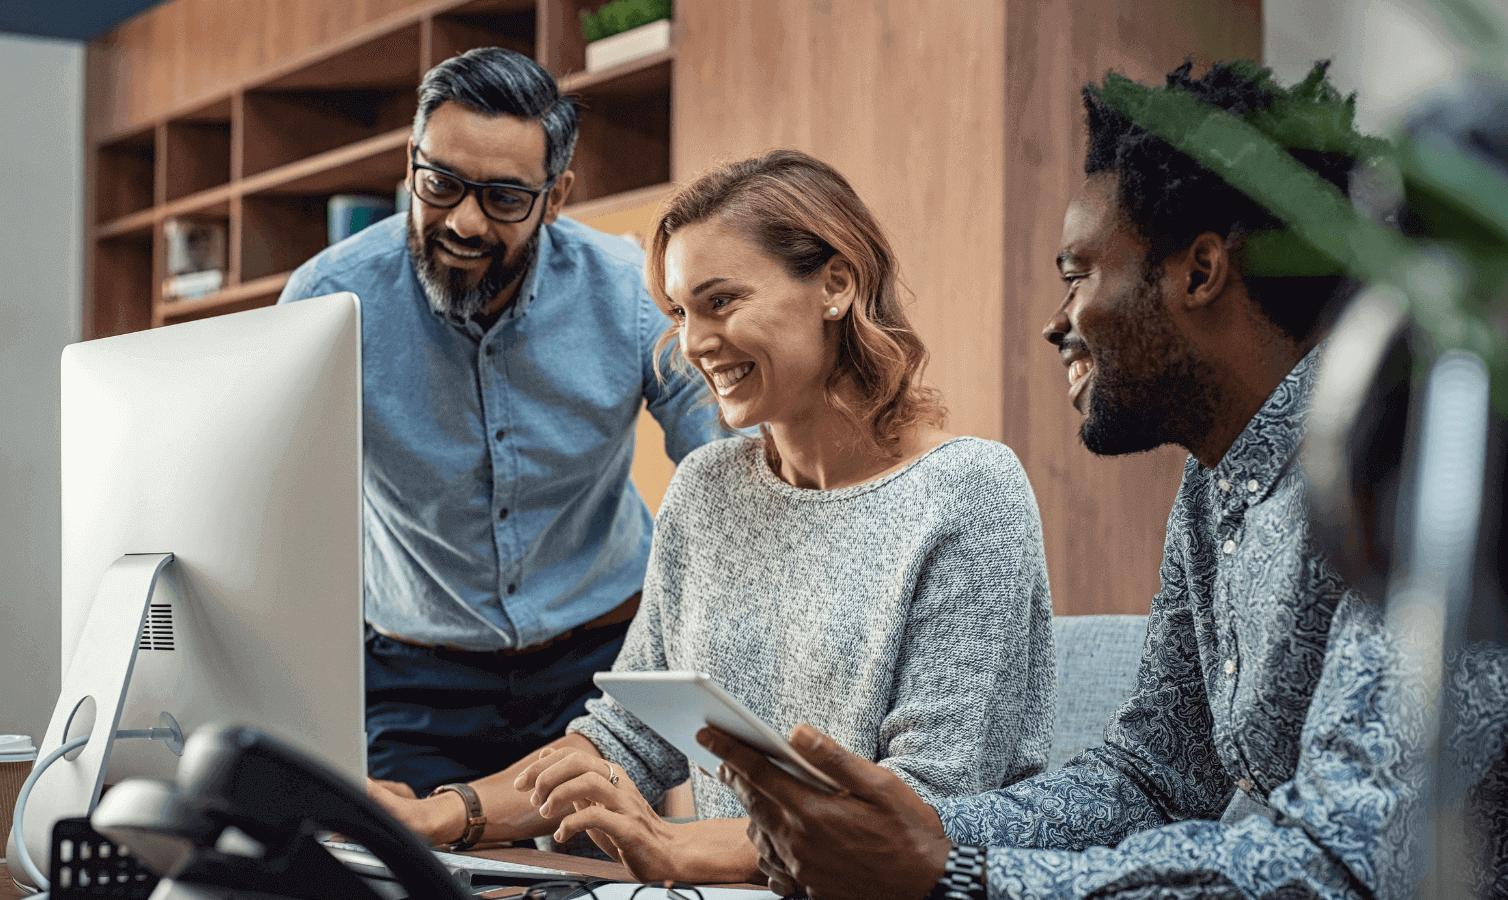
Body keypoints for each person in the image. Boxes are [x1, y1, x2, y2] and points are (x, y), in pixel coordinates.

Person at [702, 62, 1508, 899]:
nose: (1057, 323)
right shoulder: (1213, 489)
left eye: (1077, 274)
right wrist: (908, 829)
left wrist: (954, 874)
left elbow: (1348, 863)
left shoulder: (1405, 455)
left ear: (1198, 273)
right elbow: (1152, 779)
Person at [369, 150, 1057, 885]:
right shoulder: (705, 488)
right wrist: (446, 814)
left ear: (836, 284)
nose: (693, 344)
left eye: (721, 301)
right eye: (679, 313)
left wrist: (679, 847)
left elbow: (926, 806)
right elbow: (624, 738)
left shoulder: (970, 491)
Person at [277, 47, 719, 796]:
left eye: (505, 198)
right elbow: (275, 500)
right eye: (441, 183)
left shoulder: (628, 292)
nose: (463, 221)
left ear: (556, 195)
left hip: (603, 667)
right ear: (411, 159)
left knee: (599, 876)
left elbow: (723, 462)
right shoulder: (326, 302)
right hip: (416, 681)